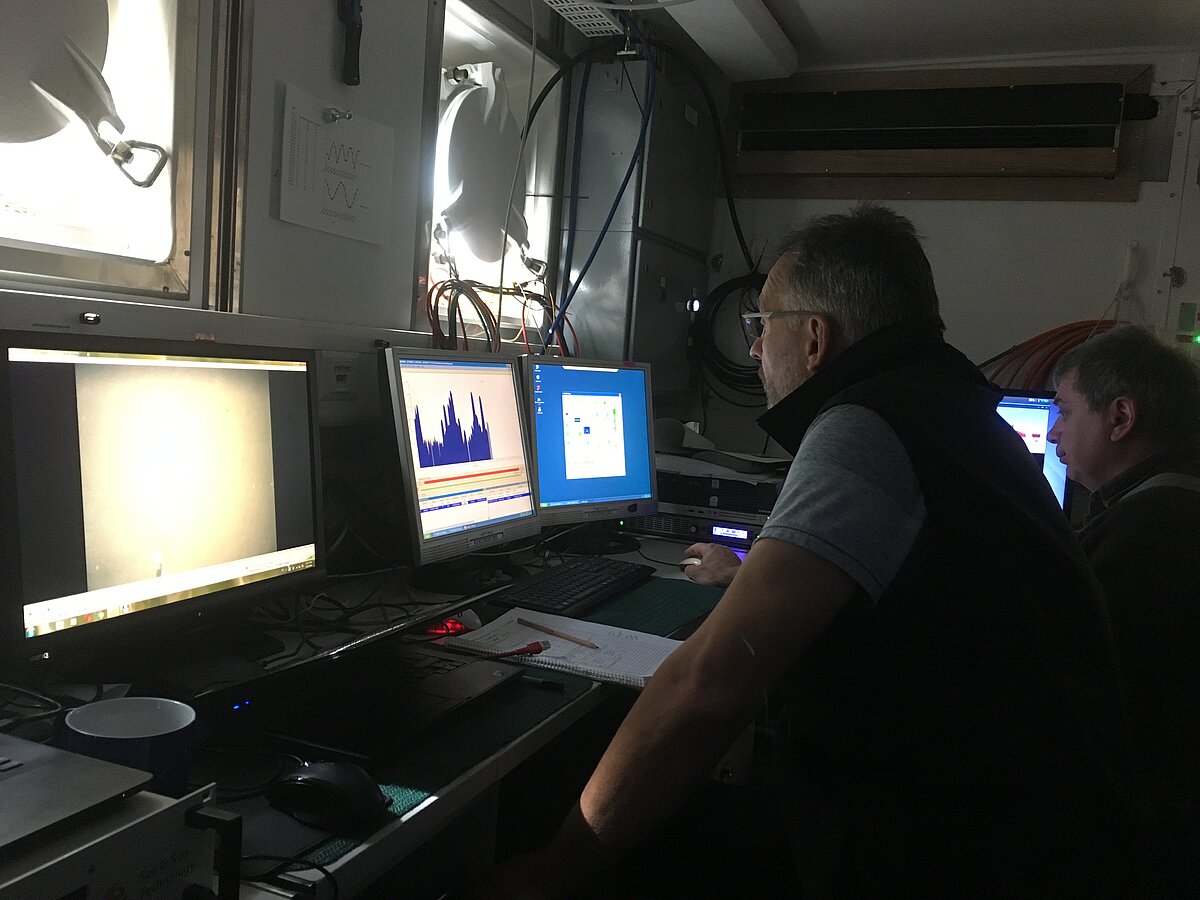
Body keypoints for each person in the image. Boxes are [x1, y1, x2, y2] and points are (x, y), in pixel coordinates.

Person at [477, 204, 1133, 898]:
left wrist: (550, 872)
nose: (755, 349)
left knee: (559, 825)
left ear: (816, 339)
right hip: (1028, 837)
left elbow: (706, 690)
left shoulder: (866, 426)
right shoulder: (957, 410)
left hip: (949, 854)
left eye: (763, 327)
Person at [1047, 325, 1200, 890]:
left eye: (1064, 410)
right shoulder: (1169, 505)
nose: (1055, 432)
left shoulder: (1149, 534)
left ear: (1120, 418)